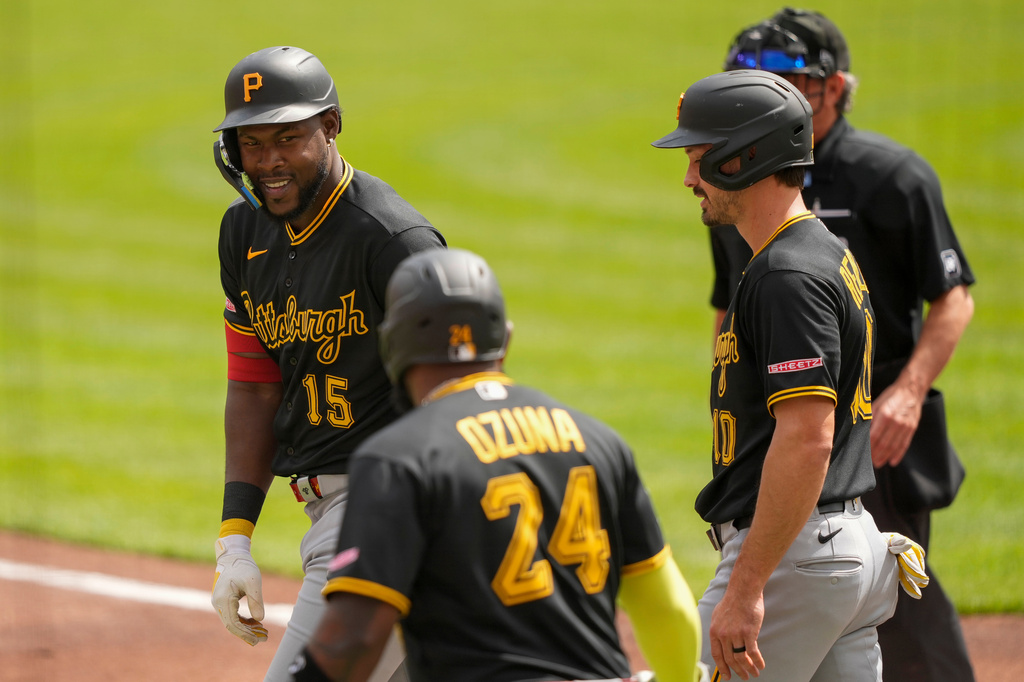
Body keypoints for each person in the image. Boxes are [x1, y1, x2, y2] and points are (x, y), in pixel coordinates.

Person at [288, 248, 708, 682]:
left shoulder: (399, 456)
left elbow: (352, 638)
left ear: (393, 344)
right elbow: (668, 607)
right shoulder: (598, 440)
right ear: (503, 339)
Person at [709, 9, 977, 681]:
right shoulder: (735, 187)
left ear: (836, 86)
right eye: (749, 77)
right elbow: (727, 312)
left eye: (792, 78)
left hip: (873, 413)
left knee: (903, 608)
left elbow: (953, 297)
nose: (773, 92)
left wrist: (908, 393)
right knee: (859, 584)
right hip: (788, 408)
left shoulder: (893, 176)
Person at [652, 70, 901, 681]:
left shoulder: (787, 275)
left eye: (699, 158)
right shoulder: (822, 252)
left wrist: (746, 588)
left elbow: (807, 437)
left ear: (746, 157)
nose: (689, 179)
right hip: (840, 545)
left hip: (796, 557)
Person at [208, 45, 446, 682]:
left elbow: (455, 397)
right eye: (251, 145)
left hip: (387, 512)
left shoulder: (393, 241)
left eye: (287, 138)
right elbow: (256, 385)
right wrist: (235, 537)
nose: (268, 162)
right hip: (331, 513)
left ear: (331, 125)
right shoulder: (243, 234)